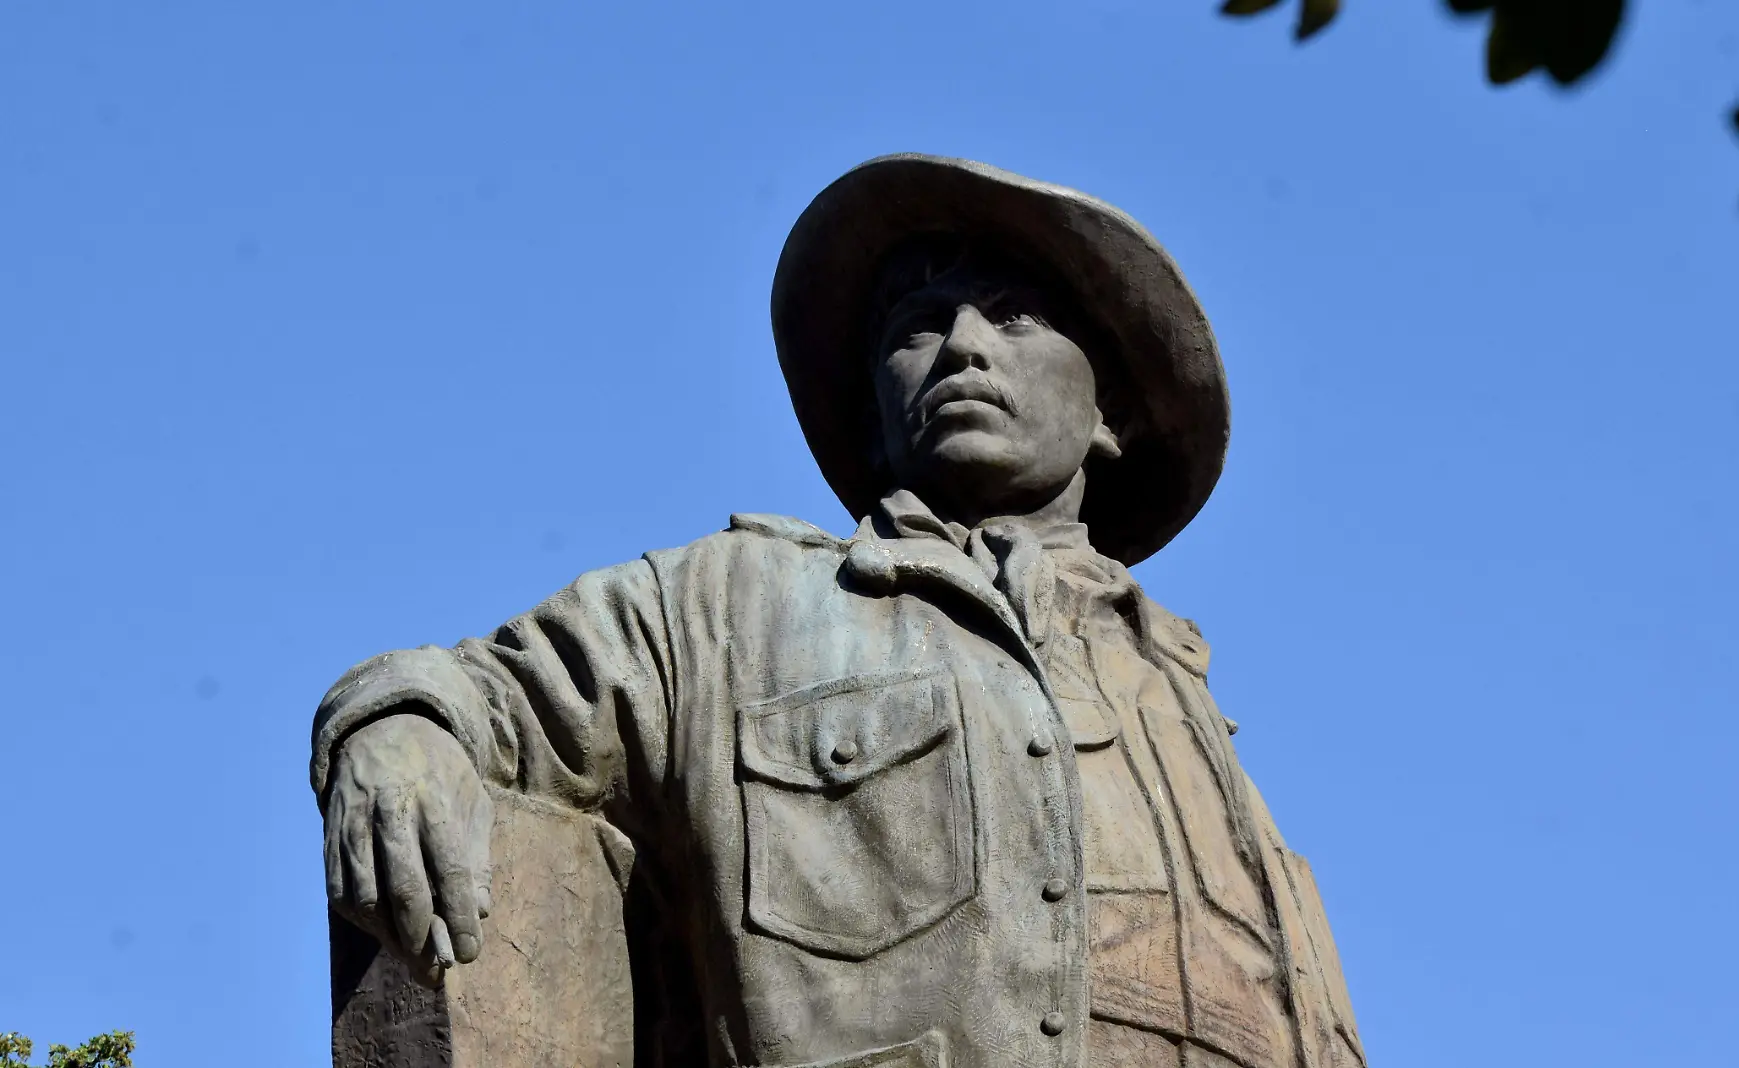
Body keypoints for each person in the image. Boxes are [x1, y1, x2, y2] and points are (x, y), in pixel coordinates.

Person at [312, 155, 1366, 1068]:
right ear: (873, 409)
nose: (961, 347)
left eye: (1014, 316)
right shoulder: (725, 607)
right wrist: (394, 729)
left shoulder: (1182, 698)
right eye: (915, 328)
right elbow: (472, 693)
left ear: (1115, 413)